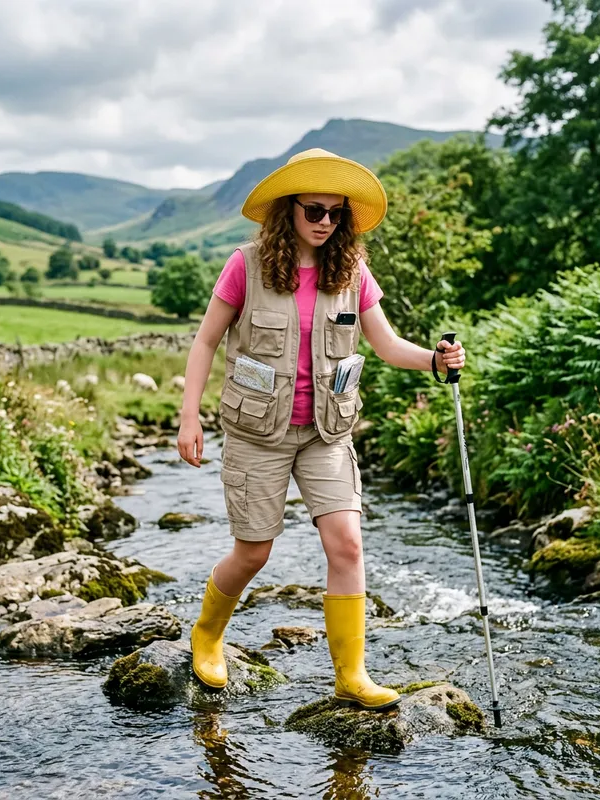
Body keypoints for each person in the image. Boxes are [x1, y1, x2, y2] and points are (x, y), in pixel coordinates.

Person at [177, 148, 465, 711]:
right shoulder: (247, 265)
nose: (325, 221)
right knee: (254, 552)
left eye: (336, 213)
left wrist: (435, 360)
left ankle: (351, 675)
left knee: (348, 544)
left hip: (325, 434)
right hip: (259, 433)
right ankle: (208, 635)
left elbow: (384, 345)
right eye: (315, 209)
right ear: (289, 210)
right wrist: (190, 416)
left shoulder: (351, 271)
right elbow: (206, 341)